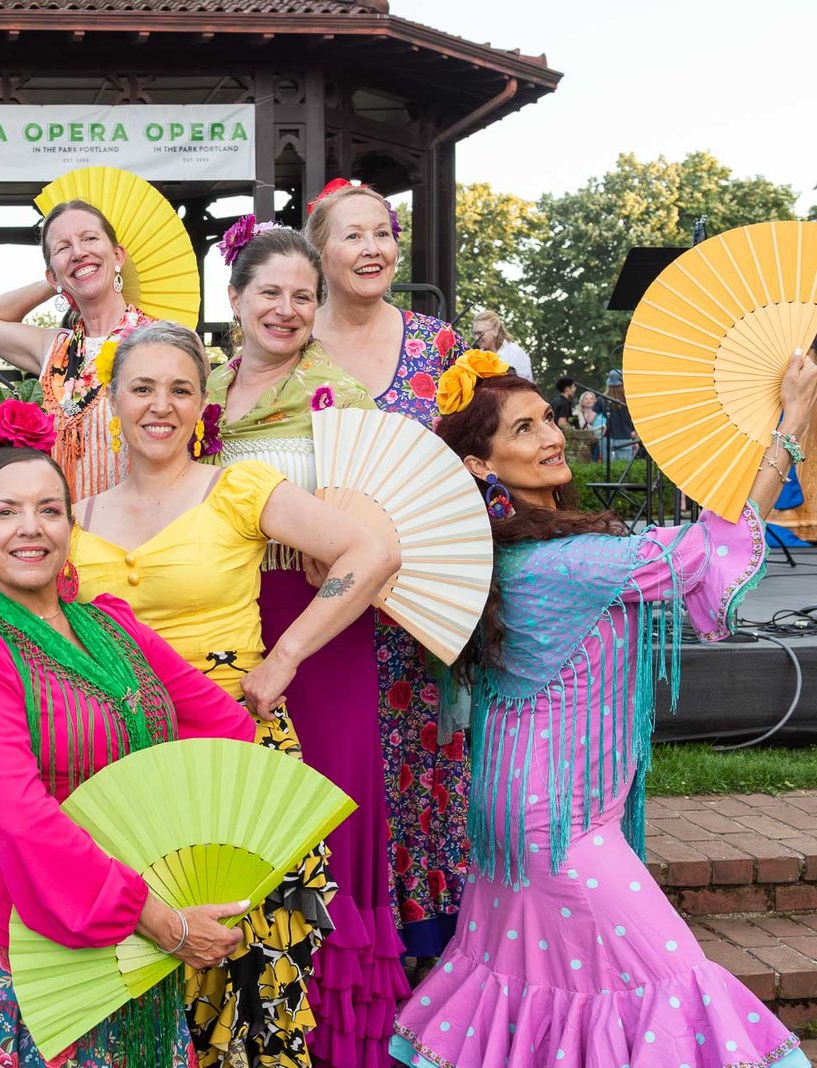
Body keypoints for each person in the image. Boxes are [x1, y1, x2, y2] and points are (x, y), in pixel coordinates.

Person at [391, 348, 817, 1068]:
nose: (551, 436)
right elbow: (711, 545)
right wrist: (791, 424)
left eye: (547, 418)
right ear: (479, 464)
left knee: (548, 987)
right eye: (523, 429)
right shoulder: (570, 563)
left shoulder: (503, 552)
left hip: (522, 813)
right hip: (556, 826)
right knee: (668, 979)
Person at [71, 321, 400, 1067]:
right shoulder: (78, 517)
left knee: (246, 970)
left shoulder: (236, 487)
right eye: (143, 388)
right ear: (114, 400)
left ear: (202, 405)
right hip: (126, 768)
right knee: (144, 974)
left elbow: (372, 549)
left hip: (234, 753)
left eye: (180, 389)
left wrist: (286, 656)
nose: (161, 405)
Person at [0, 445, 264, 1068]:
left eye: (49, 510)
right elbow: (21, 815)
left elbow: (226, 729)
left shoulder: (114, 625)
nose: (31, 527)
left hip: (144, 913)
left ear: (71, 527)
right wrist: (157, 917)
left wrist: (180, 861)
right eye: (5, 512)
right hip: (29, 931)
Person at [207, 221, 408, 1067]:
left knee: (324, 806)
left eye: (302, 296)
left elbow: (377, 536)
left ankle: (328, 1030)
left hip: (320, 627)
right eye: (270, 293)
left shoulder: (341, 399)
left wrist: (295, 642)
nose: (285, 310)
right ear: (235, 299)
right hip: (220, 619)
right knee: (239, 812)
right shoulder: (200, 392)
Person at [304, 183, 473, 965]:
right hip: (326, 599)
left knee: (427, 765)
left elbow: (476, 452)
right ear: (320, 251)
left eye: (384, 233)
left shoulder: (439, 347)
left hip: (423, 601)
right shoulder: (293, 344)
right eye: (352, 235)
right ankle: (347, 946)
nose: (372, 248)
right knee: (341, 765)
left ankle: (431, 942)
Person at [0, 199, 154, 498]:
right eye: (63, 247)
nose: (78, 252)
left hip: (136, 517)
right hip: (60, 520)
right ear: (51, 274)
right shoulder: (55, 347)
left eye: (90, 238)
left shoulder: (158, 340)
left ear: (118, 254)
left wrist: (71, 268)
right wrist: (62, 278)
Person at [471, 309, 532, 382]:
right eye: (474, 334)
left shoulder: (515, 354)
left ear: (495, 331)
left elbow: (526, 385)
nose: (476, 338)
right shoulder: (475, 356)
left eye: (480, 333)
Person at [604, 369, 639, 462]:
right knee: (624, 466)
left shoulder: (603, 400)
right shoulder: (630, 401)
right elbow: (637, 420)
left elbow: (591, 418)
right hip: (626, 438)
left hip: (608, 438)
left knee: (608, 467)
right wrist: (636, 439)